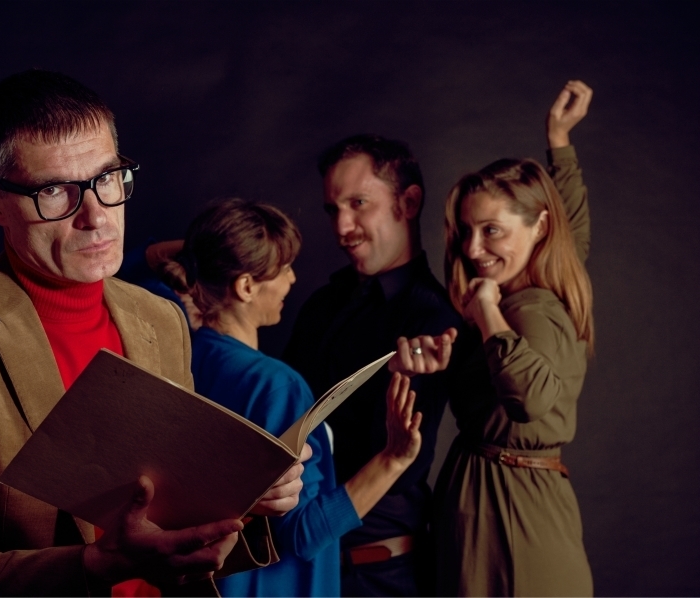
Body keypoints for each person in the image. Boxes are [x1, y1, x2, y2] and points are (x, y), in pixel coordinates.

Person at [0, 70, 305, 597]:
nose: (96, 216)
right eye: (54, 191)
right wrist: (97, 564)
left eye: (107, 178)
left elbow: (171, 526)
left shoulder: (159, 319)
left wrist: (244, 502)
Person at [163, 198, 425, 597]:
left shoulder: (183, 356)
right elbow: (302, 533)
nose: (292, 279)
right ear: (246, 286)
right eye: (283, 267)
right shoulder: (275, 385)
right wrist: (394, 459)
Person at [433, 80, 595, 596]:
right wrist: (560, 141)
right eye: (467, 230)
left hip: (512, 508)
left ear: (539, 228)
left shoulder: (529, 309)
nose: (473, 248)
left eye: (492, 230)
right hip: (489, 496)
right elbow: (573, 229)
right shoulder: (550, 277)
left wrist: (483, 309)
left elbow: (531, 398)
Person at [283, 135, 463, 595]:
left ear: (409, 202)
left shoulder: (434, 321)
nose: (343, 226)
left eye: (358, 203)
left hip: (376, 574)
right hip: (297, 556)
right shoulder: (321, 304)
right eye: (332, 208)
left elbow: (406, 461)